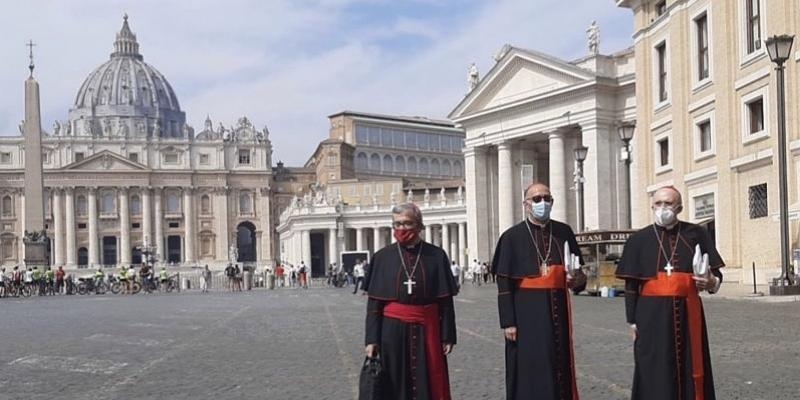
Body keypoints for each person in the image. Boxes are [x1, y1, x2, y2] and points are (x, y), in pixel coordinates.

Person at [615, 186, 724, 400]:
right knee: (653, 366)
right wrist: (633, 321)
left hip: (688, 314)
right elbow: (631, 286)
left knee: (691, 363)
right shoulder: (638, 240)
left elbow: (716, 276)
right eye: (658, 204)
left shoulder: (696, 234)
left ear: (680, 207)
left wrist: (710, 282)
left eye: (668, 203)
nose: (663, 208)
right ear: (652, 206)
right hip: (650, 317)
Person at [493, 182, 585, 400]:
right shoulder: (511, 237)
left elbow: (579, 276)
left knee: (559, 361)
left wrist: (576, 278)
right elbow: (504, 283)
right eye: (536, 199)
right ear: (526, 205)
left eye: (547, 198)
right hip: (526, 315)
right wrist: (508, 322)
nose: (542, 203)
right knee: (530, 365)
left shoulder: (564, 231)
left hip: (558, 312)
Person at [363, 203, 458, 400]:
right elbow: (374, 305)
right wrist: (371, 339)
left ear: (419, 225)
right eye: (397, 224)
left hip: (427, 329)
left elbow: (445, 301)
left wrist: (448, 335)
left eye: (407, 223)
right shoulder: (382, 257)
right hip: (391, 332)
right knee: (394, 382)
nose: (402, 229)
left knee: (427, 381)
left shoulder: (436, 255)